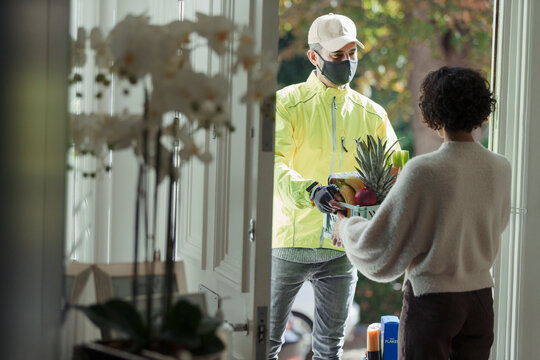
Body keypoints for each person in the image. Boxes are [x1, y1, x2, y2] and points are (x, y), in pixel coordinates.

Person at [331, 66, 511, 360]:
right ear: (481, 108)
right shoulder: (500, 167)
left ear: (432, 110)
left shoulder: (423, 170)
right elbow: (496, 225)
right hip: (480, 301)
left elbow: (379, 246)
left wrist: (345, 226)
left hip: (433, 303)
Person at [270, 13, 399, 360]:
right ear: (314, 57)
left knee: (330, 347)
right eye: (337, 55)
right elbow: (272, 164)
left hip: (343, 246)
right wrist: (309, 191)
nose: (347, 62)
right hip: (288, 243)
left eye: (351, 54)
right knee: (265, 343)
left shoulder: (372, 114)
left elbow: (392, 174)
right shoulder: (286, 104)